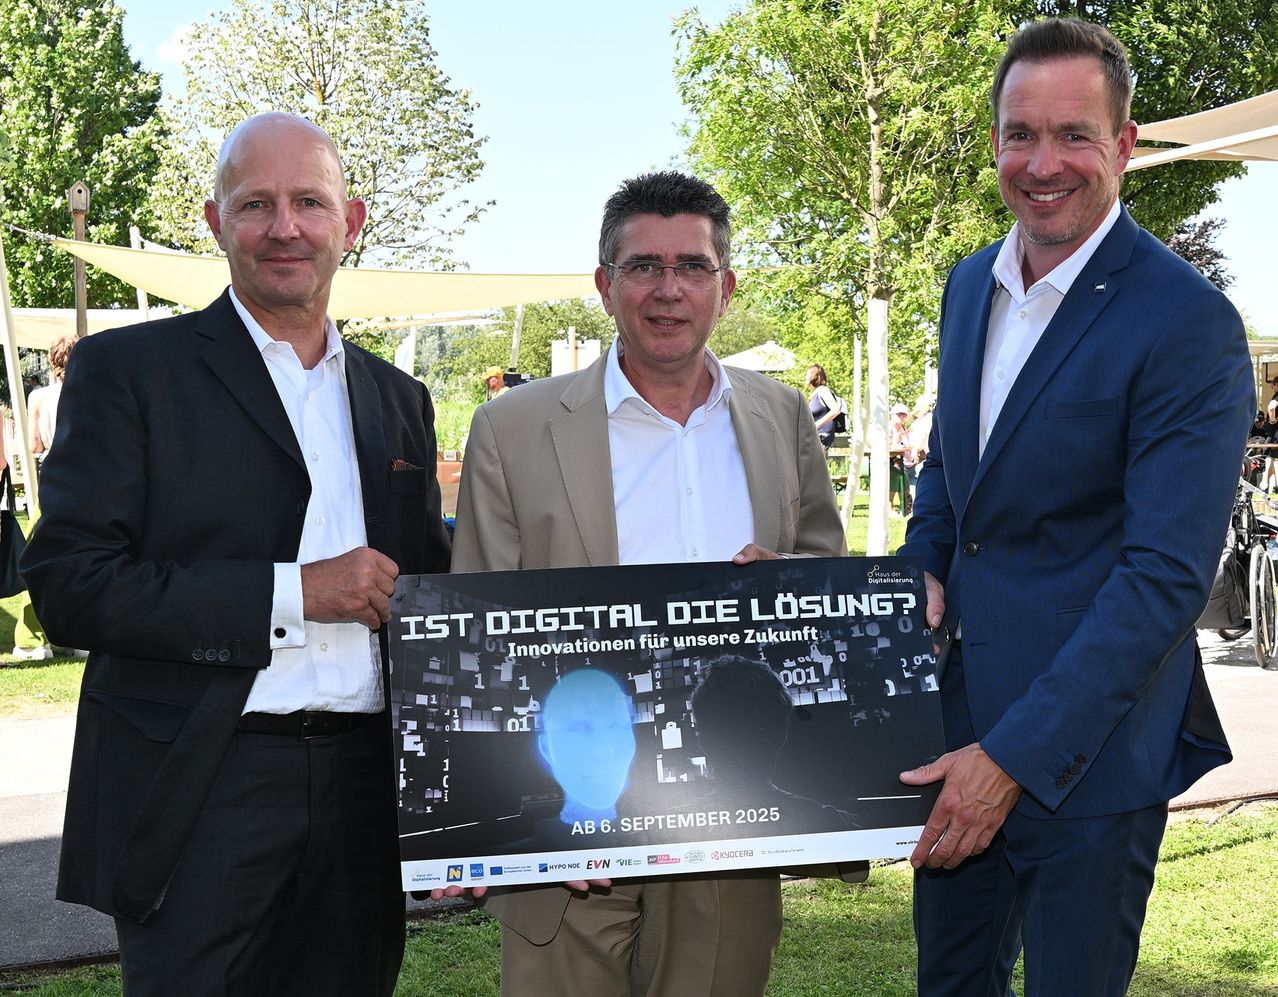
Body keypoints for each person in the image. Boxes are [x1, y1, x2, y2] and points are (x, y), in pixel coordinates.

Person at [20, 112, 451, 996]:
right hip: (202, 783)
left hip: (364, 788)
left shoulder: (398, 398)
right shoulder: (128, 372)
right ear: (215, 222)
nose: (284, 227)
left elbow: (433, 587)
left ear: (351, 221)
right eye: (255, 203)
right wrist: (293, 594)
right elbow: (67, 585)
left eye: (309, 202)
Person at [897, 19, 1252, 996]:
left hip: (1088, 768)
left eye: (1074, 135)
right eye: (1020, 134)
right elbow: (948, 471)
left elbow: (1164, 579)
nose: (1042, 163)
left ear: (1126, 144)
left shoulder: (1189, 324)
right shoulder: (971, 285)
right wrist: (923, 562)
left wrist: (1010, 758)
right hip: (954, 732)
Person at [448, 171, 845, 997]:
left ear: (726, 288)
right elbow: (477, 624)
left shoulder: (781, 418)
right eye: (644, 267)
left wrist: (795, 590)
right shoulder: (511, 428)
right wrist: (527, 808)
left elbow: (827, 587)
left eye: (693, 267)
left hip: (725, 832)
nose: (669, 290)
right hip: (569, 834)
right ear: (605, 285)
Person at [28, 334, 77, 465]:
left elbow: (35, 446)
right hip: (85, 468)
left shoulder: (37, 397)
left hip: (53, 468)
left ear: (52, 361)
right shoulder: (92, 392)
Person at [805, 363, 840, 449]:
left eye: (808, 374)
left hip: (822, 437)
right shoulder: (815, 393)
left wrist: (817, 424)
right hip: (816, 437)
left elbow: (835, 410)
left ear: (815, 376)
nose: (805, 377)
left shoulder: (823, 391)